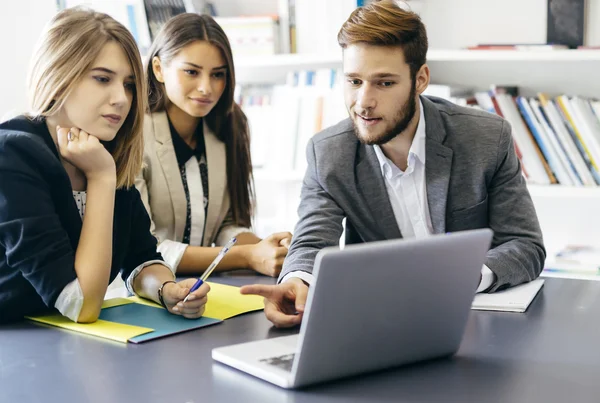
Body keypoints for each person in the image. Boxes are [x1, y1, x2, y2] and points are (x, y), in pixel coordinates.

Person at [241, 0, 546, 327]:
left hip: (474, 325)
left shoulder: (486, 137)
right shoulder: (328, 153)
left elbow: (525, 245)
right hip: (383, 323)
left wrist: (466, 276)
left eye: (384, 83)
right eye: (354, 81)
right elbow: (312, 242)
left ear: (421, 78)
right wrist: (296, 283)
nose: (363, 102)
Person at [0, 7, 208, 323]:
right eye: (102, 79)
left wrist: (166, 288)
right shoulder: (13, 154)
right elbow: (81, 305)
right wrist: (99, 178)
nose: (122, 99)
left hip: (60, 343)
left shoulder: (106, 151)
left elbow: (141, 258)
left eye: (128, 84)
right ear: (59, 74)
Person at [136, 13, 292, 279]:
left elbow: (228, 225)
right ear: (159, 69)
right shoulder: (135, 135)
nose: (206, 87)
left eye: (218, 74)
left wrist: (266, 248)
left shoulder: (230, 125)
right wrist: (247, 256)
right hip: (141, 289)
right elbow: (145, 248)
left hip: (205, 288)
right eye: (192, 72)